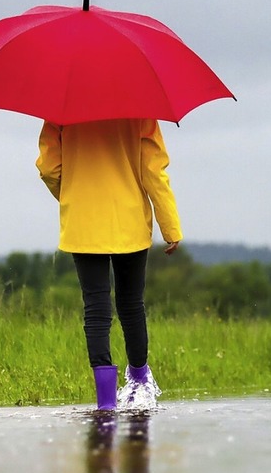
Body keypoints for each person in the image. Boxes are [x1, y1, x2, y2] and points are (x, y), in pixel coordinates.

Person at [36, 118, 182, 411]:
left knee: (96, 307)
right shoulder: (141, 109)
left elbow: (49, 169)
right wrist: (170, 226)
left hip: (83, 222)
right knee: (130, 304)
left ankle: (105, 403)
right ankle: (140, 384)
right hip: (128, 220)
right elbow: (153, 169)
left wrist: (72, 197)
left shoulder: (61, 111)